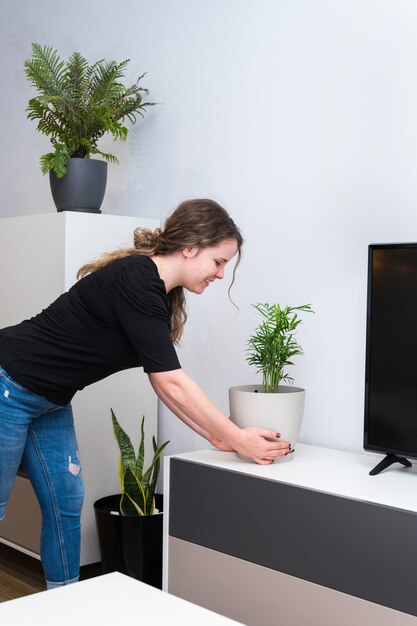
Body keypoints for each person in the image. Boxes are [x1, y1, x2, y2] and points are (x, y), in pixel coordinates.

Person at [0, 198, 290, 589]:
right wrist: (237, 437)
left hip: (50, 400)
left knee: (64, 507)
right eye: (219, 261)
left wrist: (218, 436)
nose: (221, 274)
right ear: (190, 248)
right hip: (9, 383)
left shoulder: (159, 294)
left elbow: (161, 383)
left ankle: (63, 608)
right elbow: (172, 381)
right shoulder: (136, 279)